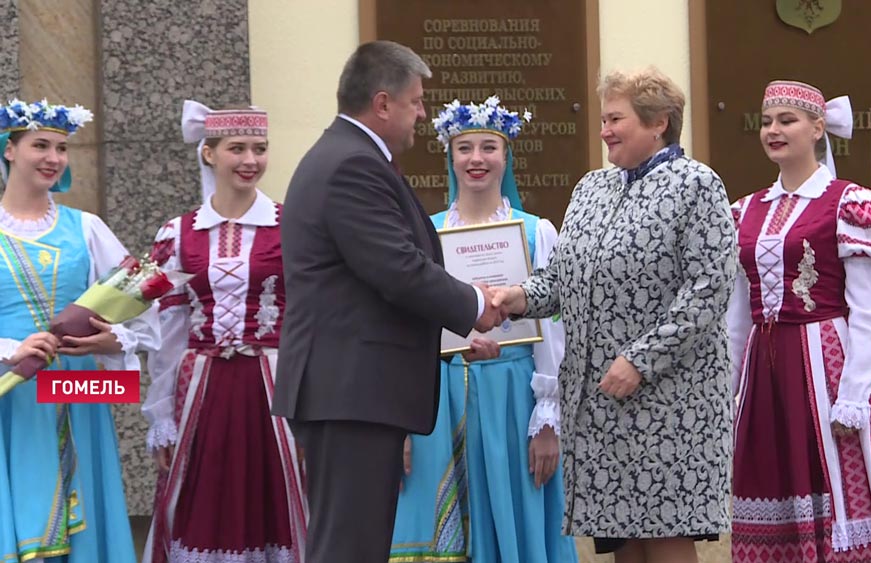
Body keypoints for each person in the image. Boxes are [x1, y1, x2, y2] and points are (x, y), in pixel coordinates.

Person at [491, 68, 736, 563]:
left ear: (659, 123)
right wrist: (514, 297)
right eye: (603, 118)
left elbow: (709, 289)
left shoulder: (697, 185)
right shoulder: (590, 188)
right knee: (623, 540)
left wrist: (641, 360)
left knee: (666, 534)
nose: (603, 129)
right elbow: (561, 281)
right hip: (599, 404)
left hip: (671, 403)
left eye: (616, 119)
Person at [272, 40, 505, 562]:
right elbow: (396, 269)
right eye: (416, 101)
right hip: (349, 392)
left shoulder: (347, 157)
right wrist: (474, 306)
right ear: (382, 104)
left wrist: (455, 338)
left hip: (352, 388)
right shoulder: (352, 165)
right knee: (348, 548)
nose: (423, 113)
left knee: (356, 544)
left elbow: (368, 289)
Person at [727, 80, 871, 562]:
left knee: (832, 483)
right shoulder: (746, 211)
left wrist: (854, 394)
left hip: (824, 367)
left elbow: (869, 311)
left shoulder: (847, 203)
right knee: (772, 484)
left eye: (787, 121)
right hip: (765, 374)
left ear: (818, 128)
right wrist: (726, 388)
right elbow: (738, 316)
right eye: (768, 121)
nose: (774, 130)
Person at [388, 97, 578, 563]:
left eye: (489, 147)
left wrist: (547, 420)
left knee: (512, 515)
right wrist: (402, 426)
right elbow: (407, 331)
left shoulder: (536, 233)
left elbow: (554, 336)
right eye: (465, 148)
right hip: (440, 396)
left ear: (506, 156)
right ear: (449, 157)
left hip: (512, 397)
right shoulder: (425, 235)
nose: (476, 159)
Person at [140, 101, 307, 563]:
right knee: (204, 494)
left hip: (275, 386)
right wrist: (162, 417)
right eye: (237, 148)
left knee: (278, 497)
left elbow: (310, 318)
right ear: (209, 154)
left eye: (260, 148)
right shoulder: (178, 233)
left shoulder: (292, 225)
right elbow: (166, 327)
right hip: (201, 388)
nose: (250, 160)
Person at [0, 99, 159, 562]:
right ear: (9, 151)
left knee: (85, 499)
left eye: (62, 148)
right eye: (41, 145)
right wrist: (12, 348)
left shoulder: (85, 227)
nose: (53, 157)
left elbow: (147, 308)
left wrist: (115, 339)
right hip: (12, 393)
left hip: (78, 386)